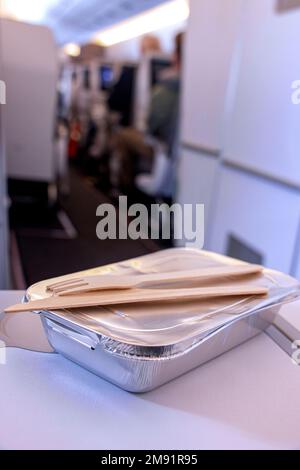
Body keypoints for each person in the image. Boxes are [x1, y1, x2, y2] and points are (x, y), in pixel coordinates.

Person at [110, 32, 184, 191]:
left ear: (175, 56)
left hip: (162, 150)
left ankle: (124, 190)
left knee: (122, 136)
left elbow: (151, 129)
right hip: (179, 154)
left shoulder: (166, 89)